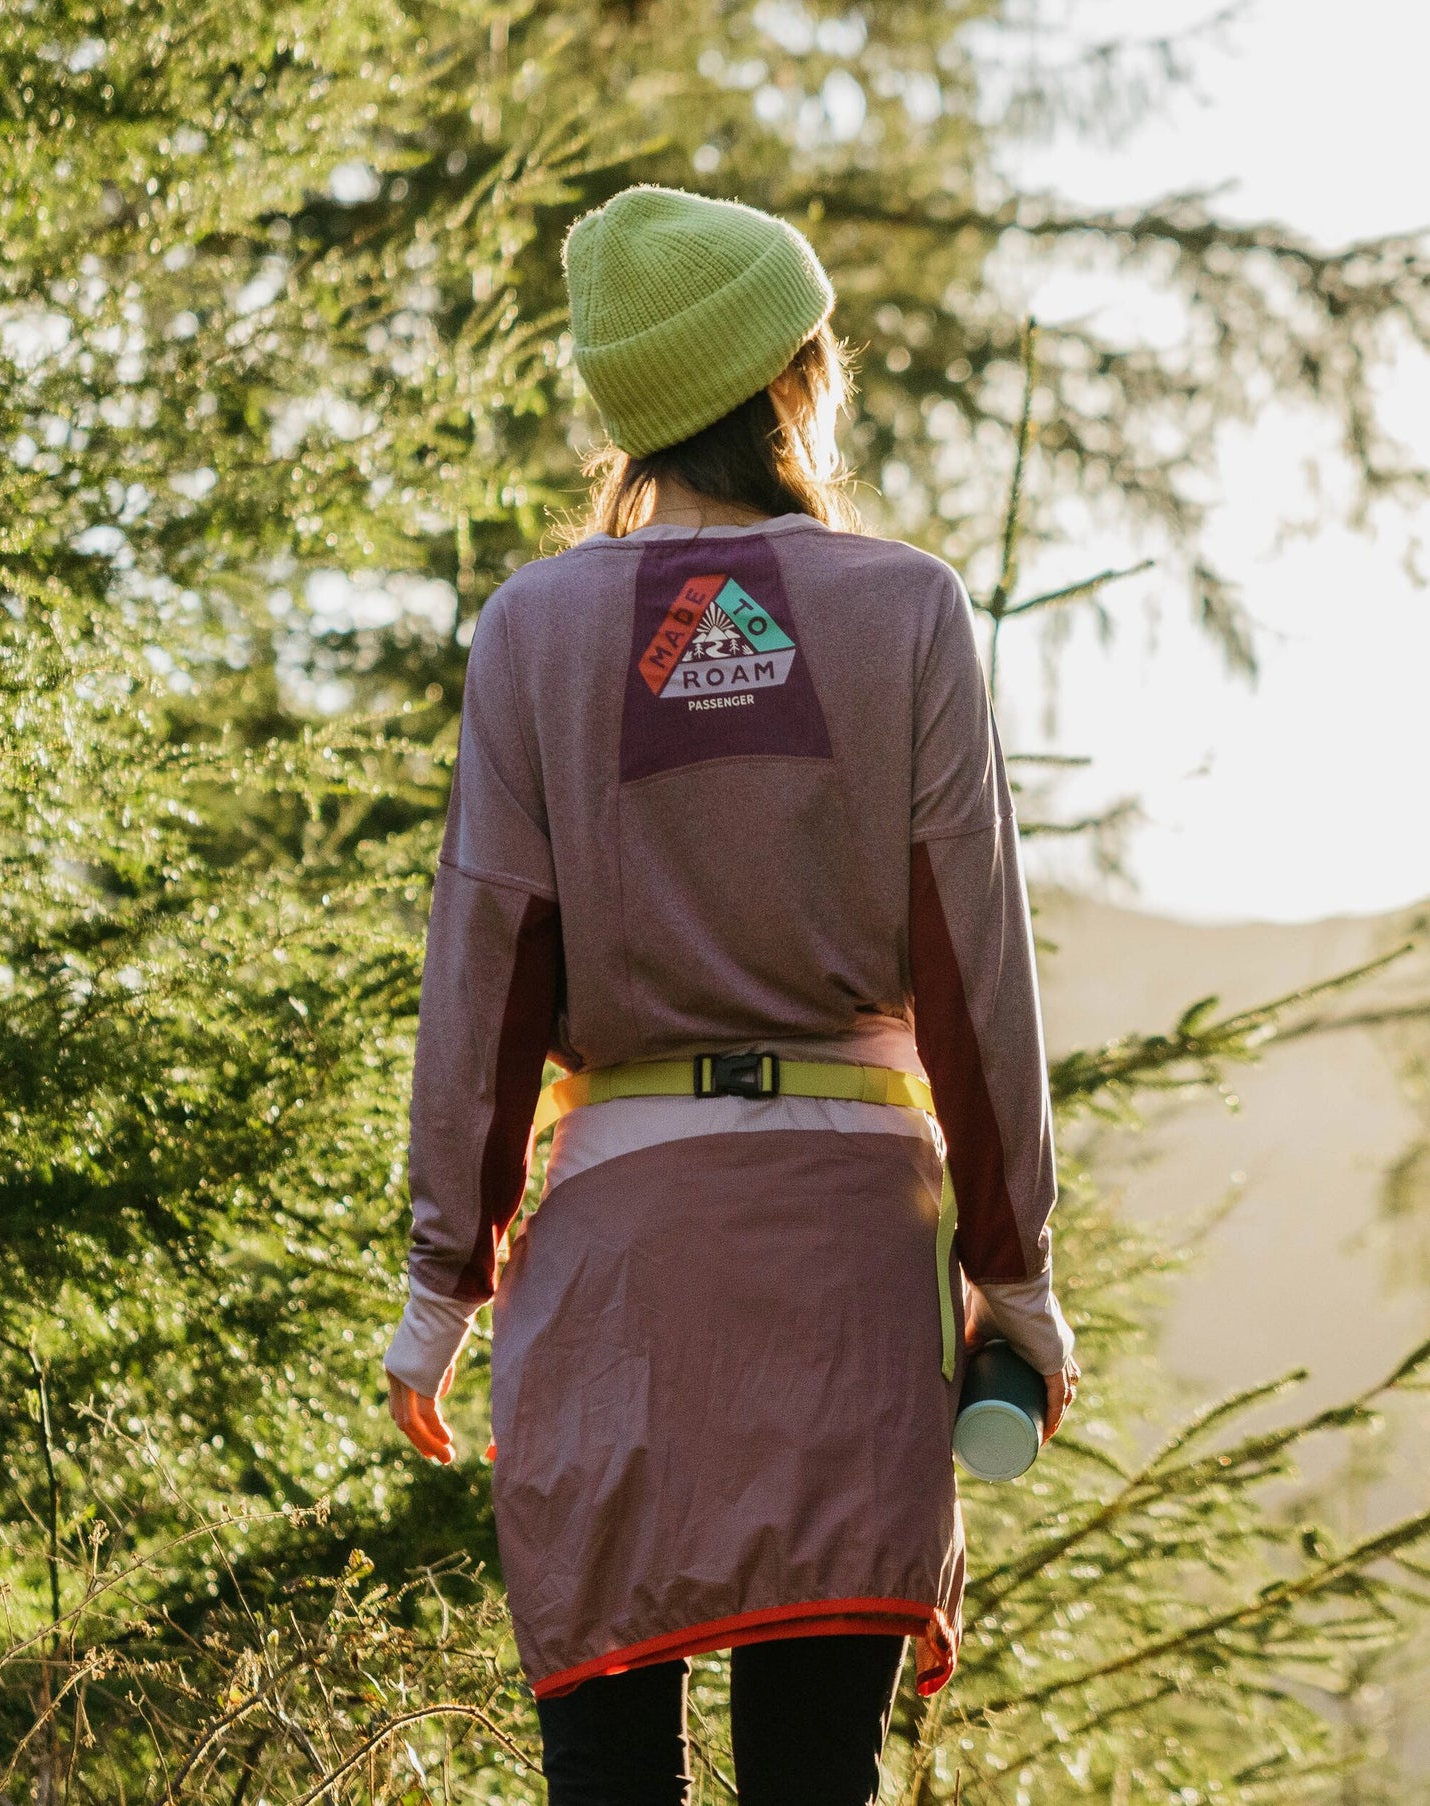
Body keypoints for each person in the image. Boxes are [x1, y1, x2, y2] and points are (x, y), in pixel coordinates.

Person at [384, 184, 1080, 1806]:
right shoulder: (903, 606)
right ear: (790, 374)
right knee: (814, 1773)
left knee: (607, 1772)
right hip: (847, 1261)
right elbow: (972, 967)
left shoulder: (534, 629)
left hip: (618, 1264)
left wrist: (439, 1287)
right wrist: (1015, 1273)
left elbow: (489, 974)